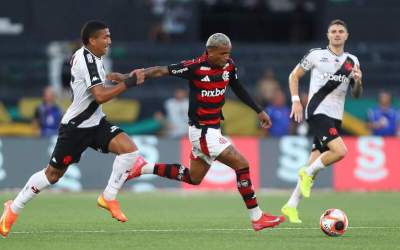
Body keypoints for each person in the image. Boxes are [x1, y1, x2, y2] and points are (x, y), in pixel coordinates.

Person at [109, 33, 285, 231]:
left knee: (194, 178)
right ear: (210, 52)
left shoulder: (229, 66)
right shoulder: (195, 66)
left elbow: (238, 88)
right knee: (242, 164)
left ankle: (143, 167)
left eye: (229, 53)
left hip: (212, 130)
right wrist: (127, 77)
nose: (227, 57)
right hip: (202, 132)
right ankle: (257, 217)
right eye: (222, 53)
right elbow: (160, 71)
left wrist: (259, 110)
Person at [0, 20, 144, 237]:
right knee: (52, 175)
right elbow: (100, 95)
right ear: (91, 40)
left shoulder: (88, 55)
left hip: (96, 122)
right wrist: (128, 84)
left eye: (109, 36)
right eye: (105, 37)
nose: (109, 41)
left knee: (130, 150)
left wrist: (116, 77)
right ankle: (13, 208)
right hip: (76, 127)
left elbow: (84, 70)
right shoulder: (87, 60)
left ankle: (108, 197)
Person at [281, 19, 363, 223]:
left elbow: (357, 94)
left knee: (316, 159)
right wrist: (296, 101)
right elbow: (294, 76)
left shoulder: (352, 61)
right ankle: (306, 172)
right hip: (317, 111)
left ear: (346, 35)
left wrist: (358, 82)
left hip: (336, 117)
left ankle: (291, 205)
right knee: (340, 151)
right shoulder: (316, 55)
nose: (337, 34)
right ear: (328, 35)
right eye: (333, 31)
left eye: (340, 31)